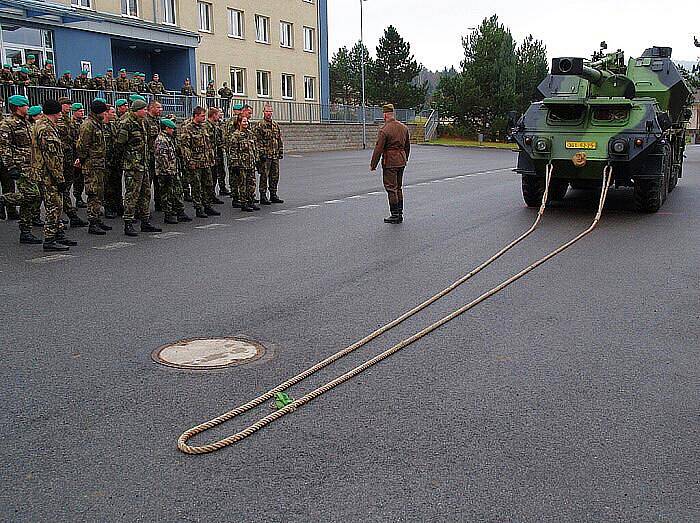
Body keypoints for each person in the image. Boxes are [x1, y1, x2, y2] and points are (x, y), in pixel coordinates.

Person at [32, 99, 78, 251]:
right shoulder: (46, 128)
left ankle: (58, 234)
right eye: (59, 111)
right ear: (55, 112)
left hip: (49, 173)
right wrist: (59, 178)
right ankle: (50, 239)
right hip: (49, 175)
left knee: (57, 205)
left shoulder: (46, 125)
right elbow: (50, 158)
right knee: (54, 206)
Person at [115, 99, 161, 236]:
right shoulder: (126, 123)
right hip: (132, 165)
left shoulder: (144, 121)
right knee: (132, 195)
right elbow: (119, 145)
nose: (146, 112)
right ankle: (128, 223)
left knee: (146, 193)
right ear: (137, 110)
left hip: (144, 163)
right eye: (144, 109)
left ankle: (145, 221)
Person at [0, 95, 42, 244]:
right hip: (19, 166)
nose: (27, 108)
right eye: (25, 106)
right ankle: (4, 199)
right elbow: (4, 148)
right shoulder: (7, 124)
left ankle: (25, 231)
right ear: (18, 107)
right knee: (33, 195)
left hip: (30, 165)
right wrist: (10, 166)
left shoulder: (26, 123)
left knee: (29, 198)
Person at [370, 103, 411, 224]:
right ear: (393, 114)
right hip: (401, 160)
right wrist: (405, 158)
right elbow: (407, 146)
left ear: (385, 115)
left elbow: (379, 149)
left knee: (391, 188)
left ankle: (395, 215)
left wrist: (373, 164)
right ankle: (400, 213)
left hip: (390, 162)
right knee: (398, 188)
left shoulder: (384, 130)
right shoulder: (404, 128)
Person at [76, 99, 111, 235]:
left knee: (99, 193)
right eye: (104, 111)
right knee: (93, 193)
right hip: (91, 165)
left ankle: (97, 218)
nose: (105, 113)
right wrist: (84, 159)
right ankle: (93, 222)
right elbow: (82, 146)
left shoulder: (97, 124)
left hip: (98, 164)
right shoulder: (88, 125)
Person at [179, 106, 219, 218]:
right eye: (202, 116)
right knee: (196, 186)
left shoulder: (203, 127)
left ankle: (207, 205)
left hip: (206, 161)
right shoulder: (187, 128)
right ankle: (198, 207)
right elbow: (185, 147)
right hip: (195, 162)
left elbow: (208, 144)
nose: (204, 118)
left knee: (208, 184)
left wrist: (211, 158)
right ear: (196, 116)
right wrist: (189, 161)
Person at [56, 97, 88, 228]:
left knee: (68, 184)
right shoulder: (58, 120)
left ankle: (69, 212)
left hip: (71, 156)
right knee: (62, 188)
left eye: (70, 104)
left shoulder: (67, 120)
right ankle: (66, 214)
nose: (68, 107)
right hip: (62, 158)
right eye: (66, 105)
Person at [154, 118, 190, 224]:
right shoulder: (161, 140)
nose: (173, 131)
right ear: (166, 128)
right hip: (165, 172)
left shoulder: (168, 139)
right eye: (171, 128)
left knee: (177, 191)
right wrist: (168, 171)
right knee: (167, 194)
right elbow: (162, 158)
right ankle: (168, 214)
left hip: (173, 170)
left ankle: (180, 212)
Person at [255, 104, 284, 205]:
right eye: (267, 111)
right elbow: (258, 140)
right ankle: (263, 195)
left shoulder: (275, 125)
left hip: (274, 155)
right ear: (263, 112)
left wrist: (280, 151)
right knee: (264, 175)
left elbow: (279, 139)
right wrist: (261, 153)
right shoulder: (260, 125)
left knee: (275, 175)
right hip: (266, 155)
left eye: (270, 111)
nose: (269, 113)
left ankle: (273, 194)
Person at [229, 116, 259, 212]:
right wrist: (235, 164)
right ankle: (243, 202)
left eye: (247, 121)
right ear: (239, 123)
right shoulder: (235, 136)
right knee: (243, 184)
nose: (246, 123)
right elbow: (233, 151)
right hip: (242, 164)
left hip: (251, 163)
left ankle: (251, 201)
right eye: (244, 121)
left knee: (252, 183)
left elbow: (255, 148)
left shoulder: (250, 134)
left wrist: (256, 160)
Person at [103, 102, 123, 219]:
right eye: (112, 112)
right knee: (107, 185)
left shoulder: (113, 125)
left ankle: (118, 205)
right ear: (106, 113)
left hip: (115, 159)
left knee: (117, 184)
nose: (114, 114)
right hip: (105, 160)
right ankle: (108, 207)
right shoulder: (100, 126)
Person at [143, 100, 164, 211]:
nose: (160, 110)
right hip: (149, 155)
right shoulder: (146, 121)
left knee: (159, 182)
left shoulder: (158, 121)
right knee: (147, 184)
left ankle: (159, 204)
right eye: (158, 107)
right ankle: (144, 209)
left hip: (158, 155)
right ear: (151, 108)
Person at [205, 107, 227, 200]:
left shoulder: (214, 125)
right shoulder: (207, 126)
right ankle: (209, 196)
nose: (219, 117)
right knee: (210, 177)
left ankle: (212, 195)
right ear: (214, 115)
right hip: (209, 155)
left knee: (215, 175)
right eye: (218, 115)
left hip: (216, 153)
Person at [69, 102, 87, 208]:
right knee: (74, 178)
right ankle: (76, 198)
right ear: (74, 112)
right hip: (74, 153)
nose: (82, 112)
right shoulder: (71, 123)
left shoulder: (83, 122)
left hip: (81, 153)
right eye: (80, 111)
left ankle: (79, 197)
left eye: (83, 111)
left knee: (81, 178)